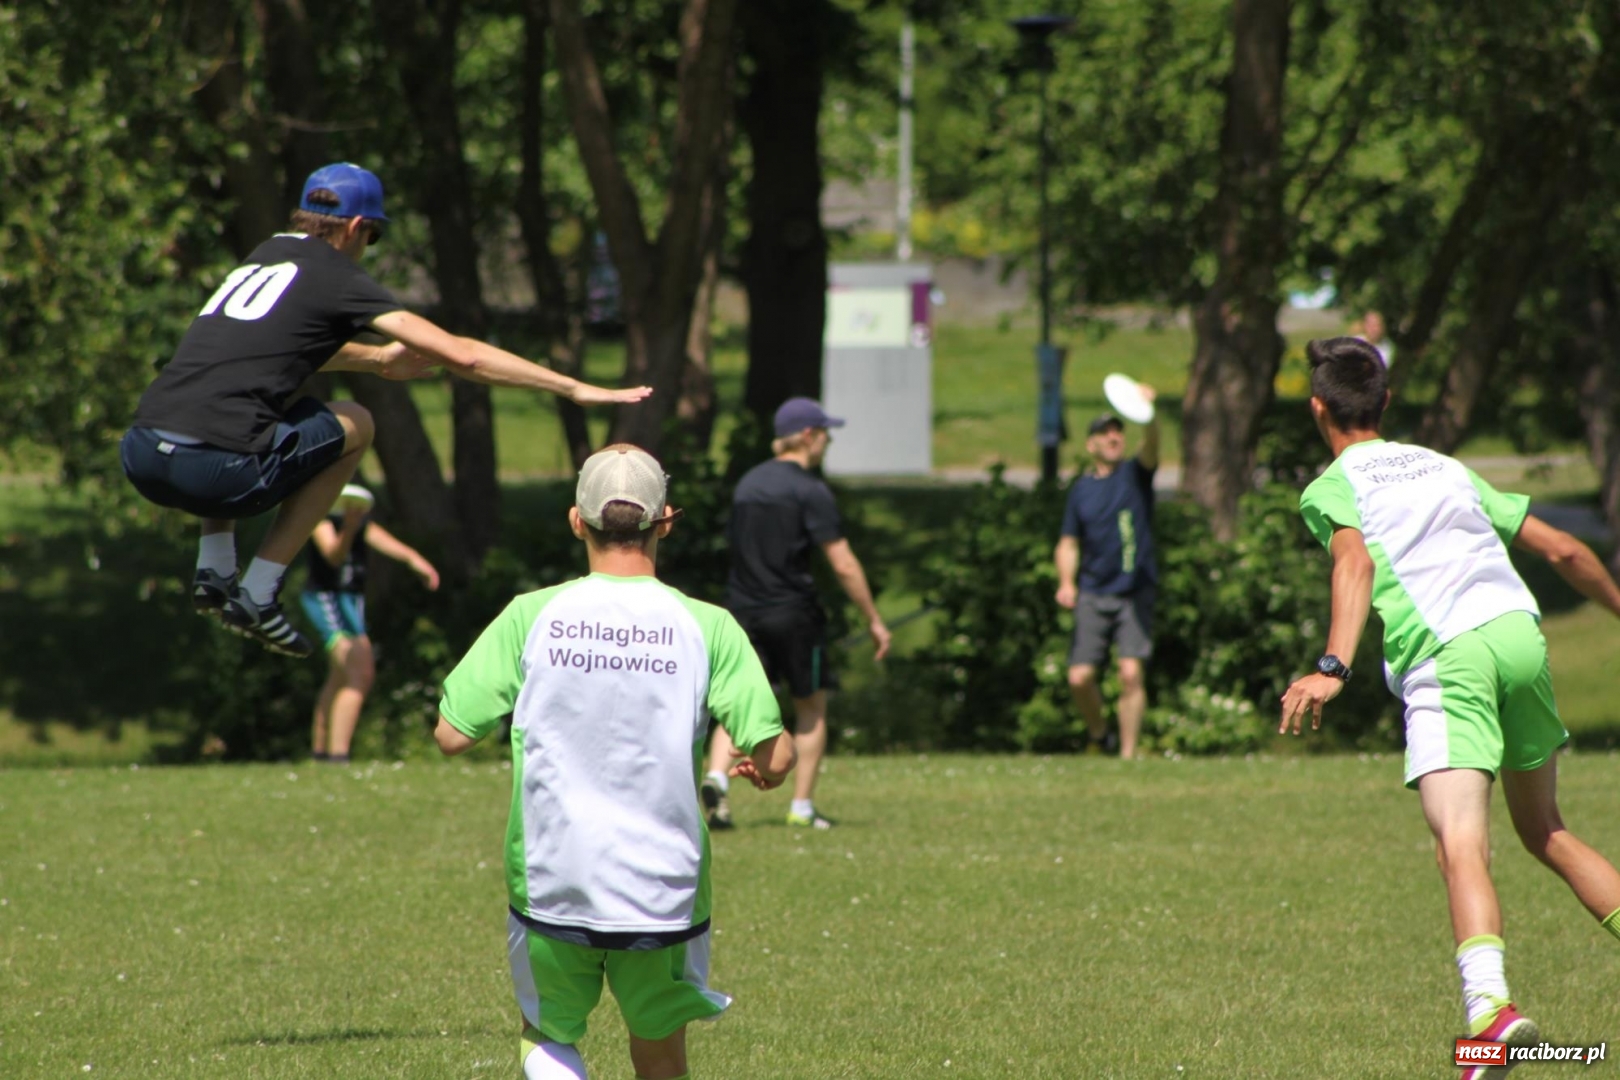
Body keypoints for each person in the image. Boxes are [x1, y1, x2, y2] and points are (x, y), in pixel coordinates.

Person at [121, 162, 649, 658]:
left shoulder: (267, 253)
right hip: (215, 473)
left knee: (242, 405)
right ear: (356, 227)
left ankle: (214, 567)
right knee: (356, 422)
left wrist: (376, 360)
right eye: (372, 236)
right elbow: (463, 355)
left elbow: (272, 353)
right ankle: (259, 590)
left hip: (142, 452)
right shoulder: (336, 275)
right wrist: (572, 387)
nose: (367, 248)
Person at [1280, 336, 1620, 1069]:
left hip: (1449, 655)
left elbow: (1353, 561)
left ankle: (1490, 1014)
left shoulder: (1332, 486)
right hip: (1519, 637)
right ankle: (1492, 1022)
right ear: (1385, 402)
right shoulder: (1443, 465)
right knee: (1547, 830)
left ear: (1318, 409)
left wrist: (1333, 666)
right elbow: (1562, 550)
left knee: (1460, 841)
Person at [434, 444, 795, 1080]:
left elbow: (451, 734)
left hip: (553, 878)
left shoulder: (530, 615)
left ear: (578, 521)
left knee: (549, 1035)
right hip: (663, 891)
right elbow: (776, 753)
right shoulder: (708, 626)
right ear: (666, 522)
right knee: (660, 1052)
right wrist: (767, 769)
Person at [699, 398, 890, 832]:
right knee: (811, 707)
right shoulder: (810, 490)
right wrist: (873, 620)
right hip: (794, 614)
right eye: (825, 434)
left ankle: (717, 781)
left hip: (742, 612)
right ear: (807, 436)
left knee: (737, 704)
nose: (828, 442)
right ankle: (801, 808)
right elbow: (843, 562)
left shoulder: (748, 484)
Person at [1053, 397, 1160, 759]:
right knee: (1079, 677)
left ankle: (1127, 756)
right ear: (1091, 445)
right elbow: (1068, 543)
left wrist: (1148, 414)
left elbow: (1152, 444)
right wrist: (1066, 582)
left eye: (1118, 432)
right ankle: (1100, 735)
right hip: (1093, 591)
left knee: (1130, 674)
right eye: (1104, 433)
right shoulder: (1081, 490)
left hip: (1134, 591)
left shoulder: (1135, 474)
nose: (1114, 437)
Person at [302, 484, 440, 765]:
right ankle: (338, 757)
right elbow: (334, 556)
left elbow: (392, 545)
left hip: (351, 603)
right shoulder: (321, 519)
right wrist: (349, 528)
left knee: (340, 675)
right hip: (328, 599)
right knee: (359, 673)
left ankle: (320, 754)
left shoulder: (361, 524)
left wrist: (417, 562)